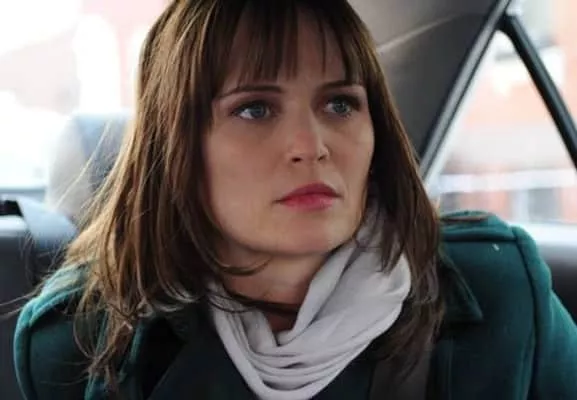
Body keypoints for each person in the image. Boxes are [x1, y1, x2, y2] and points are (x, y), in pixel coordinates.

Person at [13, 0, 577, 399]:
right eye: (255, 109)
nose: (311, 146)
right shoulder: (79, 343)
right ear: (177, 146)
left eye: (339, 104)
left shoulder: (503, 298)